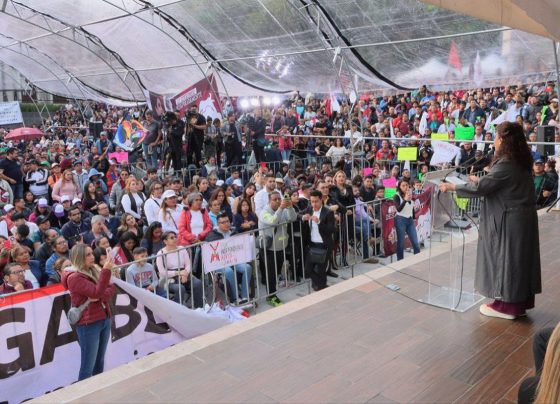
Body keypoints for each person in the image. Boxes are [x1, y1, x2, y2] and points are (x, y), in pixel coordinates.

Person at [439, 121, 541, 319]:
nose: (494, 141)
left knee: (507, 260)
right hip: (520, 218)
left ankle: (507, 307)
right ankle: (515, 303)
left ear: (503, 140)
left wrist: (452, 187)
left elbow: (482, 189)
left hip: (510, 221)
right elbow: (499, 184)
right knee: (518, 262)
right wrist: (483, 180)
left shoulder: (506, 163)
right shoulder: (519, 159)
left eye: (496, 137)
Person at [63, 243, 116, 381]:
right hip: (89, 324)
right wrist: (106, 272)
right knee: (88, 367)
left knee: (99, 363)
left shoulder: (93, 269)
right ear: (78, 257)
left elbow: (110, 288)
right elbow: (98, 292)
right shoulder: (74, 277)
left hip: (104, 318)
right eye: (87, 255)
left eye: (91, 253)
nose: (92, 257)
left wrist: (100, 294)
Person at [258, 191, 297, 307]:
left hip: (281, 247)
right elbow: (273, 221)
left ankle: (273, 293)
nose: (278, 201)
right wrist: (281, 208)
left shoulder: (284, 209)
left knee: (275, 273)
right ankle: (271, 296)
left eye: (279, 199)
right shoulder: (263, 212)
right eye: (274, 199)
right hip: (269, 249)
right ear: (269, 200)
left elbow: (293, 218)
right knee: (270, 274)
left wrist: (289, 207)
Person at [206, 213, 253, 304]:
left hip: (234, 260)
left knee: (247, 267)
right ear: (218, 224)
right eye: (223, 222)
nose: (227, 224)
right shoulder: (211, 236)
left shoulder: (234, 232)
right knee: (228, 271)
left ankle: (244, 296)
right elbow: (209, 253)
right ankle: (235, 298)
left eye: (228, 221)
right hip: (219, 263)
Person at [155, 231, 203, 307]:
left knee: (197, 283)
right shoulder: (160, 253)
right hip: (169, 278)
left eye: (175, 237)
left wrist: (185, 274)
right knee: (180, 288)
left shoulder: (182, 249)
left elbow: (188, 264)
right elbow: (162, 272)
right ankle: (177, 311)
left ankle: (199, 308)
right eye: (171, 238)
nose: (175, 239)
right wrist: (178, 273)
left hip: (184, 273)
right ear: (165, 241)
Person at [300, 190, 336, 291]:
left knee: (321, 270)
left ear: (321, 200)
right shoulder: (310, 209)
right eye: (312, 201)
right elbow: (298, 214)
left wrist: (319, 222)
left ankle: (320, 287)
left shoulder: (328, 212)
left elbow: (332, 229)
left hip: (324, 245)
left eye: (316, 201)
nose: (314, 204)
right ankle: (321, 285)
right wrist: (303, 217)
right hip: (312, 244)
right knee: (308, 268)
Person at [393, 179, 420, 261]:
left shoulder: (411, 194)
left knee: (415, 242)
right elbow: (398, 209)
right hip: (400, 220)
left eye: (406, 185)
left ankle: (418, 259)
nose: (405, 187)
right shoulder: (396, 196)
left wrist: (414, 217)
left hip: (410, 220)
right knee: (401, 243)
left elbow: (411, 208)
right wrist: (405, 200)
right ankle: (400, 261)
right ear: (399, 187)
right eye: (403, 186)